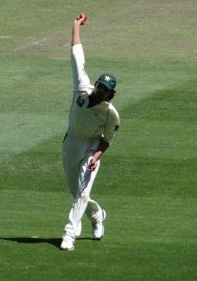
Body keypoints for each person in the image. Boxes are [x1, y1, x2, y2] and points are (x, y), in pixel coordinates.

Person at [60, 13, 120, 251]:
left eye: (104, 90)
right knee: (77, 194)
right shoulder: (81, 87)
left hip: (91, 148)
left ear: (110, 95)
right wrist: (75, 26)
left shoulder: (111, 115)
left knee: (83, 193)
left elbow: (107, 140)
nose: (99, 91)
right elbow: (77, 54)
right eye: (99, 86)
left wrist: (95, 157)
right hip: (70, 143)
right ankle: (97, 215)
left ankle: (69, 235)